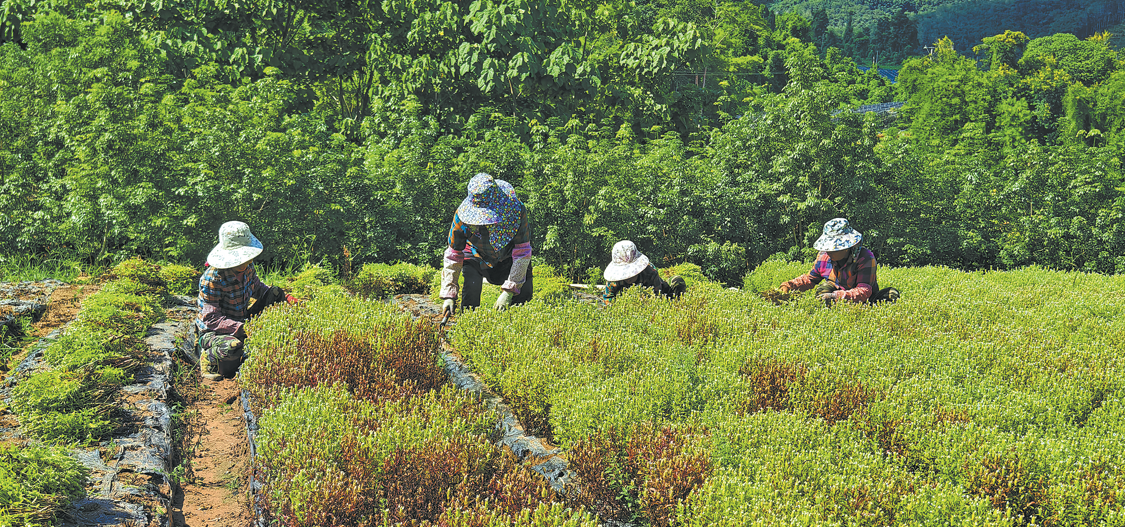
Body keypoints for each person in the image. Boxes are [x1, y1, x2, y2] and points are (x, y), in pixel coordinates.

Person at [196, 221, 296, 380]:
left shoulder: (248, 267)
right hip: (216, 332)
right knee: (233, 348)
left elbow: (256, 287)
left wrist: (287, 298)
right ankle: (208, 356)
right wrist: (246, 328)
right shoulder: (213, 278)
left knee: (276, 292)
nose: (247, 261)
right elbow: (211, 319)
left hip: (242, 319)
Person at [440, 173, 533, 315]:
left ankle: (514, 322)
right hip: (476, 255)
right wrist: (449, 295)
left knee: (524, 293)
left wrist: (509, 291)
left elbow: (522, 251)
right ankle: (469, 320)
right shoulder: (461, 217)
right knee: (471, 288)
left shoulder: (517, 211)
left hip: (509, 256)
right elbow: (453, 255)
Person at [777, 218, 899, 306]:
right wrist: (789, 285)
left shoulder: (865, 258)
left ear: (847, 247)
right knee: (823, 290)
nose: (829, 251)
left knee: (892, 294)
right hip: (835, 291)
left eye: (833, 248)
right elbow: (810, 279)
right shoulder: (823, 256)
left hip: (866, 299)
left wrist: (837, 296)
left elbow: (864, 291)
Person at [600, 240, 686, 305]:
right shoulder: (614, 280)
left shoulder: (650, 272)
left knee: (677, 281)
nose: (628, 278)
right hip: (627, 303)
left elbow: (657, 296)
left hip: (655, 295)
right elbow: (607, 299)